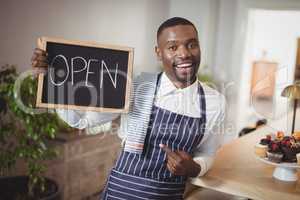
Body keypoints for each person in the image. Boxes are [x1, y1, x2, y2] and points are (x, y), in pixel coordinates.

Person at [32, 17, 225, 200]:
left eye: (191, 44)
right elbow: (84, 120)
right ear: (158, 52)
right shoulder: (134, 87)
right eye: (172, 47)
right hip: (120, 192)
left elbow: (207, 153)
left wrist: (193, 168)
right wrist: (52, 81)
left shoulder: (214, 101)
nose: (184, 53)